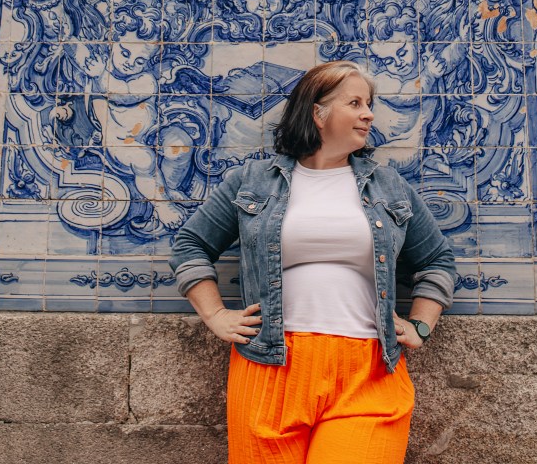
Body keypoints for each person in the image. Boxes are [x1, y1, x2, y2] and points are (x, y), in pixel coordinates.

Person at [170, 60, 456, 464]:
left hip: (368, 372)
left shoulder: (389, 186)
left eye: (368, 104)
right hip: (270, 366)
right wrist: (215, 315)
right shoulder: (253, 181)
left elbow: (438, 260)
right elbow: (190, 245)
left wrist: (421, 324)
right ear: (317, 113)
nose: (368, 114)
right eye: (354, 103)